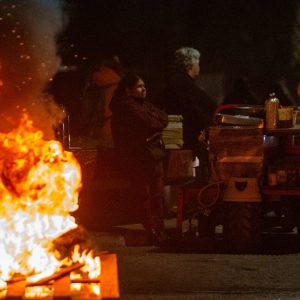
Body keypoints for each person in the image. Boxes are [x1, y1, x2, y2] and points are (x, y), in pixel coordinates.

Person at [110, 73, 169, 245]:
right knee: (145, 195)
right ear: (128, 90)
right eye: (139, 86)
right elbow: (151, 123)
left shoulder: (143, 105)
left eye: (144, 86)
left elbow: (163, 118)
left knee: (156, 194)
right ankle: (152, 230)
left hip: (150, 155)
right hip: (137, 157)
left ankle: (158, 229)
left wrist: (157, 121)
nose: (144, 89)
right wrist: (156, 122)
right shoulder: (126, 107)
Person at [164, 47, 217, 173]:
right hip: (185, 136)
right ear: (191, 64)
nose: (199, 66)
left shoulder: (179, 80)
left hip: (184, 134)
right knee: (186, 174)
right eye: (198, 63)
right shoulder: (180, 82)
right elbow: (191, 110)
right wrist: (209, 123)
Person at [80, 56, 123, 147]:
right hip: (111, 123)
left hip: (109, 124)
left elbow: (87, 109)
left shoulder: (103, 78)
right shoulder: (120, 84)